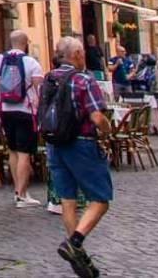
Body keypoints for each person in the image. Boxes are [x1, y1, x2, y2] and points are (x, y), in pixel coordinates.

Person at [40, 36, 114, 278]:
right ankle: (75, 243)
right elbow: (96, 117)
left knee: (67, 200)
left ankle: (78, 257)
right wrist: (107, 130)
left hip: (54, 144)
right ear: (78, 54)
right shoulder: (83, 80)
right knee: (100, 199)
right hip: (80, 143)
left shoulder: (48, 79)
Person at [0, 29, 44, 208]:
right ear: (25, 43)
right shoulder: (31, 62)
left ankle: (17, 191)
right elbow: (39, 89)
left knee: (12, 151)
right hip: (25, 111)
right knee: (24, 153)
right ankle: (22, 194)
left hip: (5, 110)